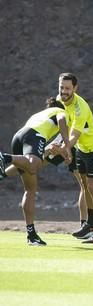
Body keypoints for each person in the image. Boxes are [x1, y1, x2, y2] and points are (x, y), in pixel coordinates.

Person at [0, 98, 69, 245]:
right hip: (33, 136)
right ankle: (4, 157)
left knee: (30, 189)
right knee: (32, 166)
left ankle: (31, 235)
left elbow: (30, 156)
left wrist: (4, 173)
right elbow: (62, 119)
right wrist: (67, 145)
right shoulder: (61, 112)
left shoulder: (41, 116)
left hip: (19, 137)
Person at [57, 73, 93, 244]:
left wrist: (65, 148)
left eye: (67, 88)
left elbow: (74, 134)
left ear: (75, 89)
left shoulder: (80, 108)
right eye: (61, 87)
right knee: (85, 185)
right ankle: (91, 224)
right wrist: (65, 146)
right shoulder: (61, 100)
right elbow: (62, 119)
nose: (64, 91)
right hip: (81, 148)